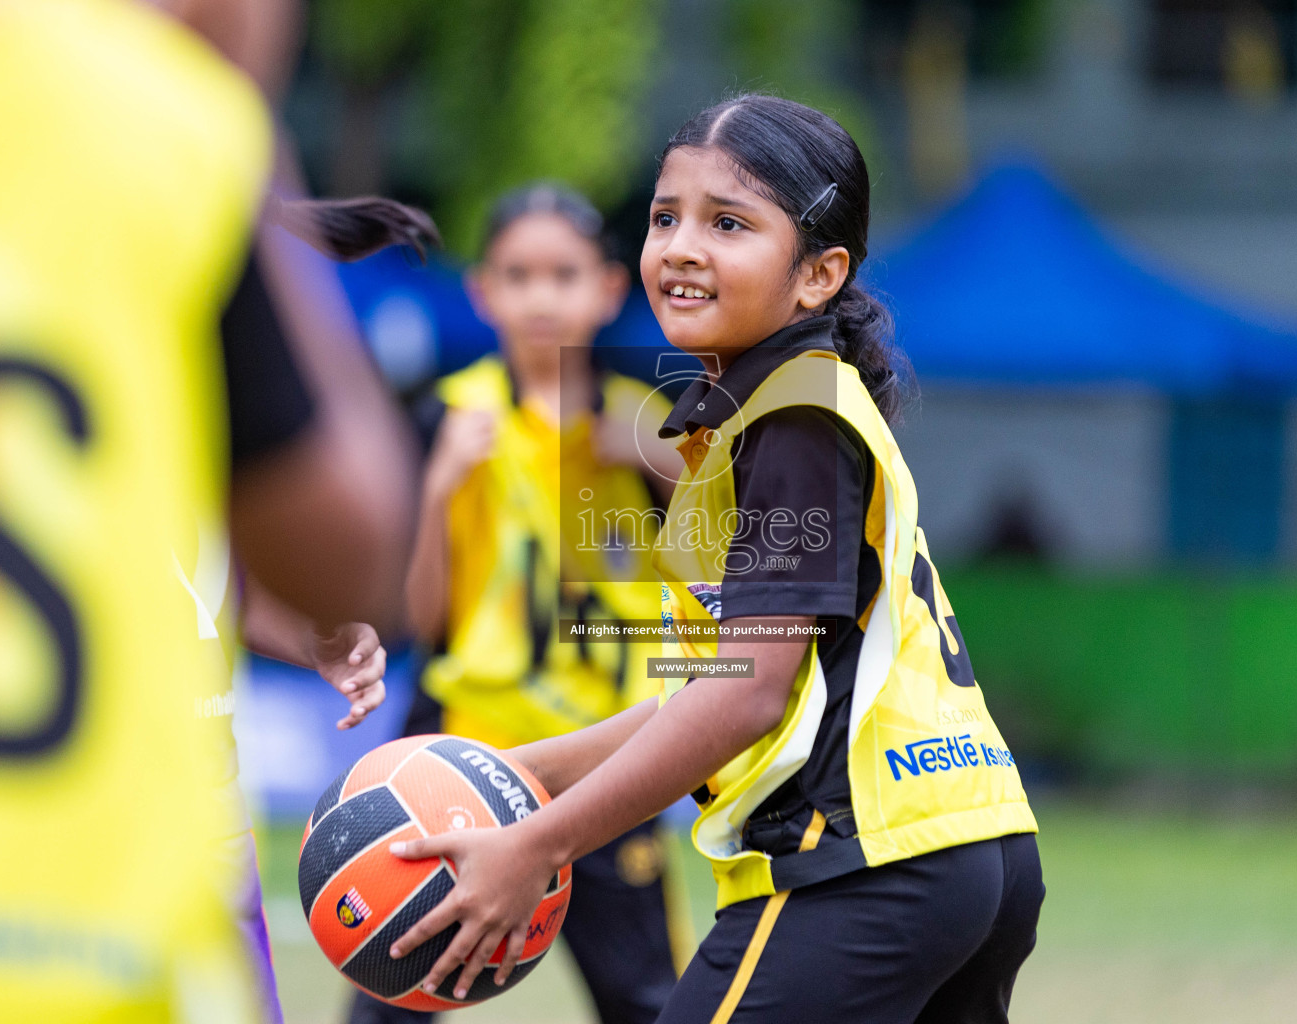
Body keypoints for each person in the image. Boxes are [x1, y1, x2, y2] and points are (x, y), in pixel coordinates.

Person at [382, 95, 1045, 1024]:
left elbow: (745, 696)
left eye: (728, 223)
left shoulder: (794, 416)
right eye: (666, 218)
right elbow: (715, 681)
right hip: (963, 839)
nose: (683, 246)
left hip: (865, 861)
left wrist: (541, 843)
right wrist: (521, 775)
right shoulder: (750, 419)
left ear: (819, 274)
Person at [0, 1, 421, 1020]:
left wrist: (292, 633)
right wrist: (233, 118)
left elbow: (136, 573)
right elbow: (353, 545)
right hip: (79, 911)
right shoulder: (154, 130)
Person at [346, 184, 688, 1024]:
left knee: (648, 1002)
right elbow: (421, 619)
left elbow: (712, 584)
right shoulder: (449, 417)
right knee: (394, 991)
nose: (542, 297)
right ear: (483, 291)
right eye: (520, 275)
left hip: (606, 763)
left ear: (610, 288)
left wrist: (665, 464)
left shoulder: (650, 422)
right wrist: (437, 488)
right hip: (466, 755)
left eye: (565, 275)